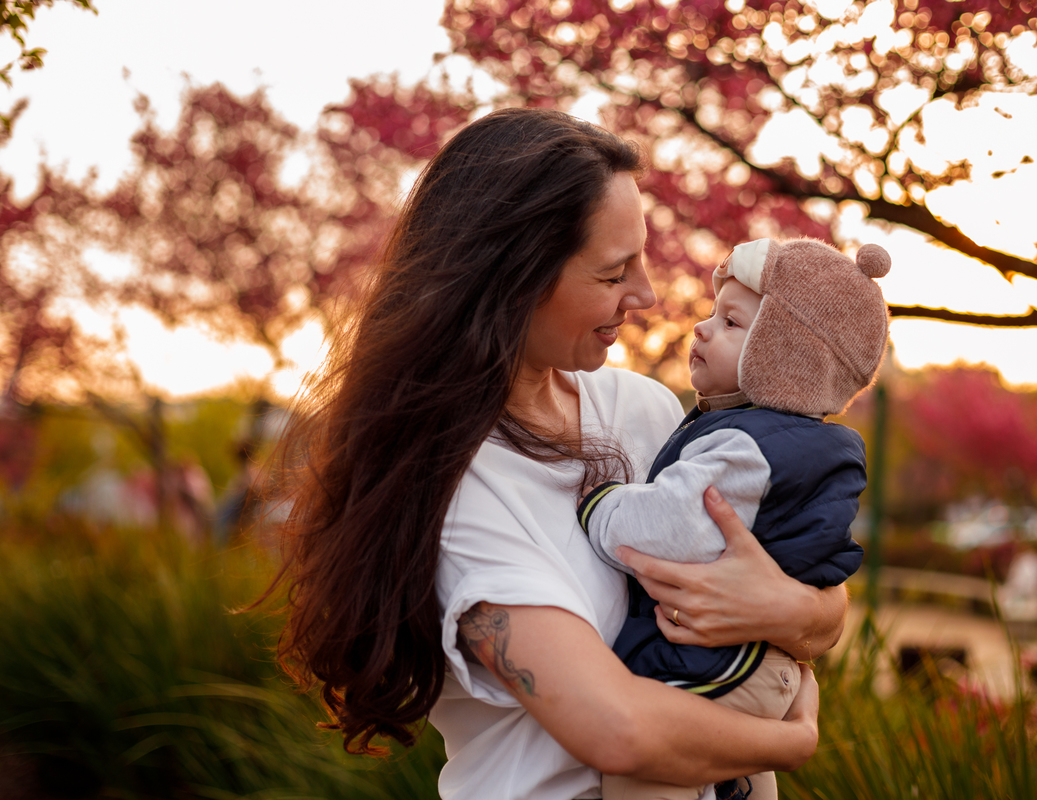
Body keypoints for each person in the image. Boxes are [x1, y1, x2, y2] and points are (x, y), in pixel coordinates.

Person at [272, 107, 850, 800]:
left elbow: (816, 587)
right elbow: (615, 730)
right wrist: (795, 741)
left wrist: (799, 614)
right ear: (510, 280)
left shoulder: (646, 411)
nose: (647, 294)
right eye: (613, 274)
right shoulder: (454, 487)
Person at [576, 237, 889, 800]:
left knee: (643, 775)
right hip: (753, 665)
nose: (701, 328)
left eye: (731, 322)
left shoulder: (748, 447)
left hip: (720, 666)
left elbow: (674, 526)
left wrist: (600, 506)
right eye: (712, 314)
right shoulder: (777, 439)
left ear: (784, 355)